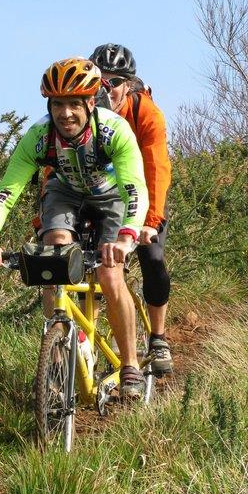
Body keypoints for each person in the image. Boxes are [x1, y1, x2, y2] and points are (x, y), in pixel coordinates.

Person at [0, 57, 150, 400]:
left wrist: (126, 237)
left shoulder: (114, 131)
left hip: (111, 195)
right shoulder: (39, 137)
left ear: (90, 103)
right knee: (52, 256)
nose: (65, 113)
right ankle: (60, 358)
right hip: (65, 192)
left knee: (110, 273)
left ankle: (130, 364)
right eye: (57, 104)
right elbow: (8, 189)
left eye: (73, 104)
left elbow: (134, 188)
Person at [90, 44, 173, 374]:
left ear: (129, 85)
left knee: (152, 257)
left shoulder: (145, 113)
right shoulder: (82, 110)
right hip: (101, 195)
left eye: (115, 82)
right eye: (101, 81)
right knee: (90, 262)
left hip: (143, 194)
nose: (107, 89)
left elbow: (156, 167)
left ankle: (158, 337)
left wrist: (150, 221)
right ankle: (85, 343)